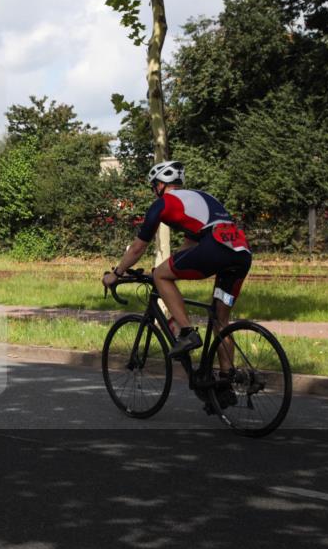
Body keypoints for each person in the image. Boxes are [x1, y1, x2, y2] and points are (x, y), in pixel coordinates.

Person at [101, 160, 251, 388]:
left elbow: (138, 248)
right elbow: (190, 245)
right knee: (221, 321)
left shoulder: (163, 204)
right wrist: (171, 266)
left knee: (160, 274)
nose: (155, 191)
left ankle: (187, 332)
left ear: (160, 185)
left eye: (154, 186)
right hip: (240, 252)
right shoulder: (202, 198)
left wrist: (117, 274)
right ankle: (226, 382)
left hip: (216, 248)